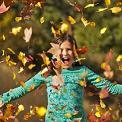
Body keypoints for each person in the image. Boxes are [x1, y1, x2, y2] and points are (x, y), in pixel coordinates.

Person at [0, 34, 122, 122]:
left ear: (74, 53)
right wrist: (2, 99)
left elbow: (110, 88)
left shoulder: (83, 71)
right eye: (60, 50)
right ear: (54, 54)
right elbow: (23, 89)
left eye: (68, 49)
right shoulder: (47, 73)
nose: (64, 53)